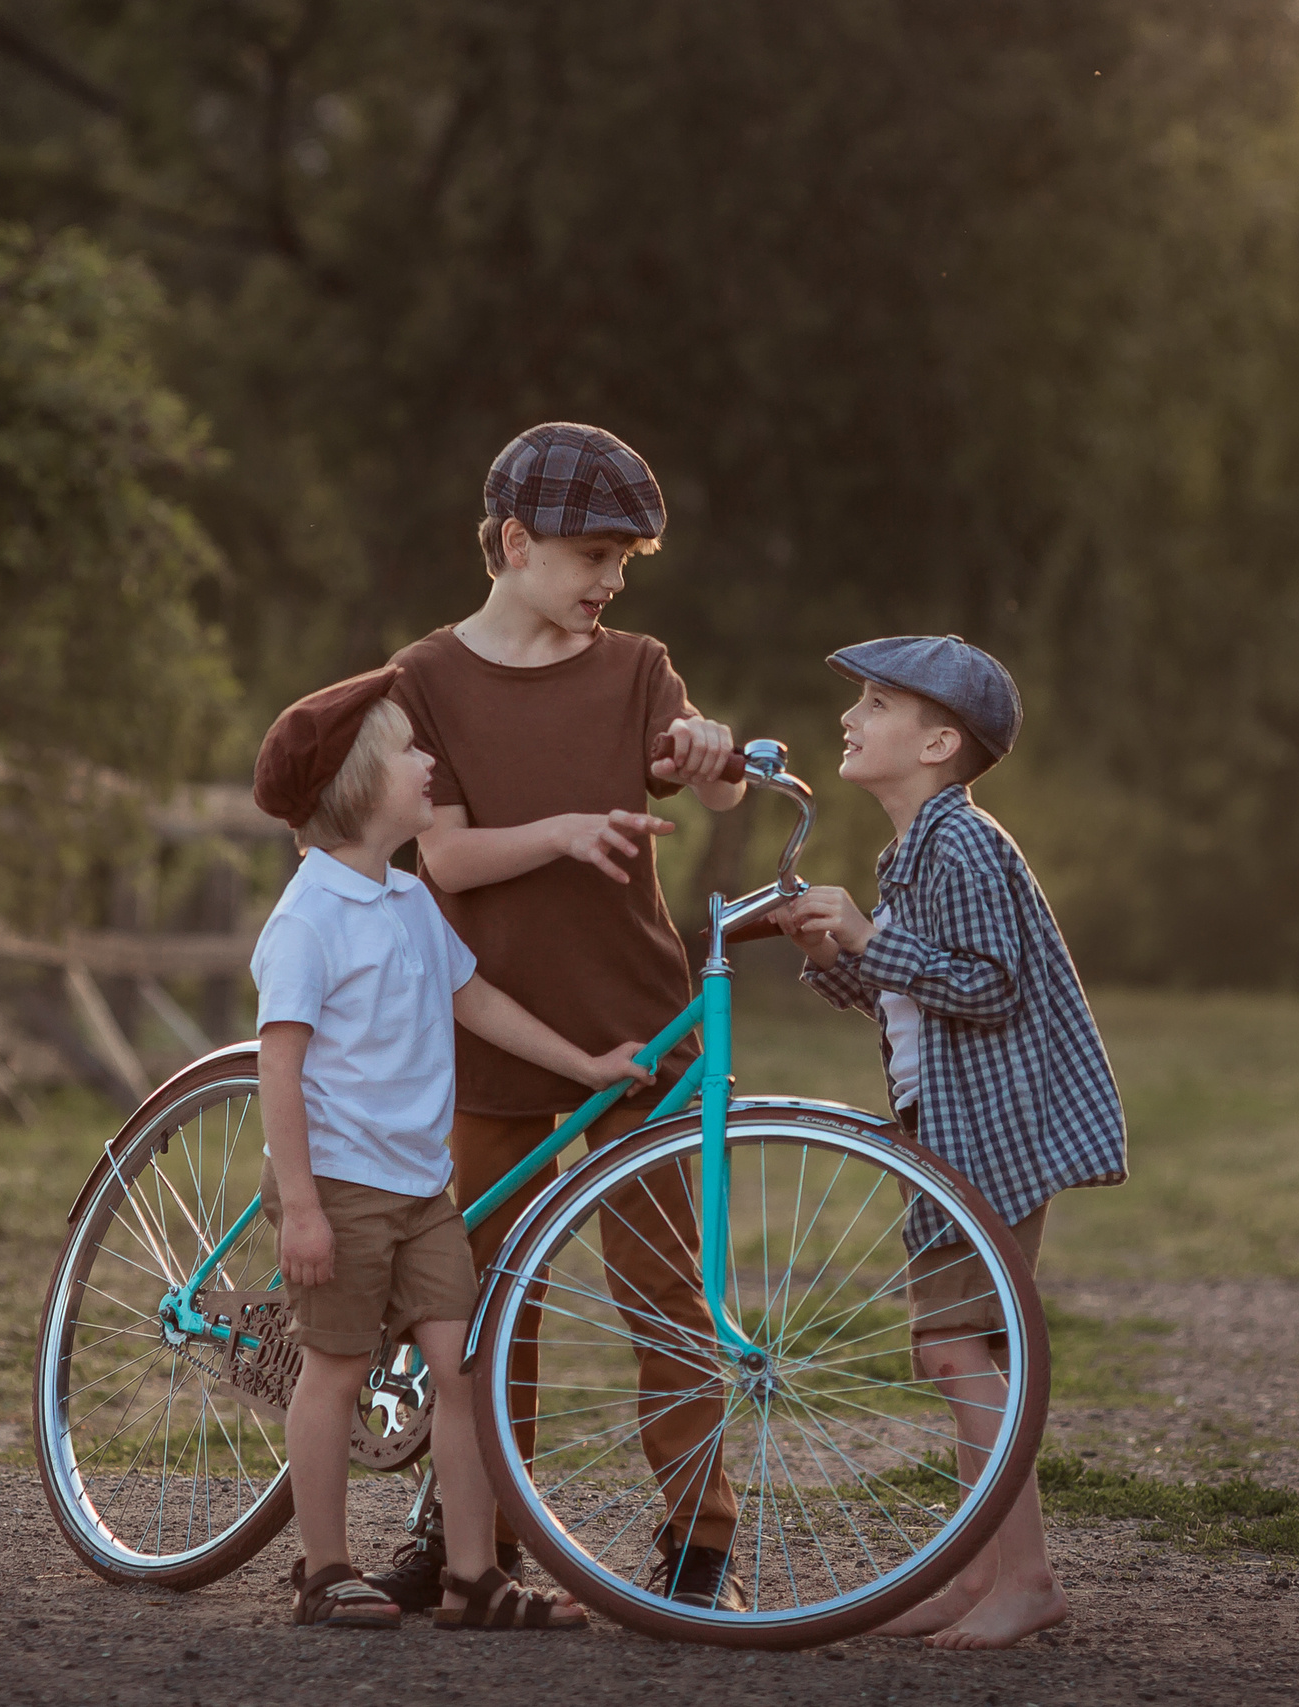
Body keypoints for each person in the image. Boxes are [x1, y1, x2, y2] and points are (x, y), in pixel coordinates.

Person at [378, 422, 751, 1612]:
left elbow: (718, 776)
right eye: (591, 553)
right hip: (487, 1037)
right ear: (511, 541)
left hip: (636, 1027)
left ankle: (701, 1547)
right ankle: (471, 1536)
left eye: (626, 561)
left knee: (662, 1289)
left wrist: (709, 752)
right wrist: (558, 834)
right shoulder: (424, 679)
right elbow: (442, 861)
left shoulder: (637, 666)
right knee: (479, 1299)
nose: (608, 580)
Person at [249, 664, 650, 1631]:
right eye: (407, 751)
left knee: (461, 1371)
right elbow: (279, 1070)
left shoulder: (408, 901)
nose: (430, 760)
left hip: (423, 1189)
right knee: (336, 1372)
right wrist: (300, 1206)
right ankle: (324, 1567)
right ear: (354, 786)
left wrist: (586, 1064)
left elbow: (475, 999)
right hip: (339, 1188)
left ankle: (473, 1576)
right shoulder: (307, 919)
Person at [779, 634, 1128, 1650]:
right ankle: (980, 1574)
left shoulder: (963, 844)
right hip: (951, 1132)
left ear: (939, 742)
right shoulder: (914, 848)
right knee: (964, 1348)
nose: (851, 718)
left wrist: (869, 933)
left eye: (878, 705)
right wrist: (837, 953)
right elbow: (913, 998)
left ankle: (1022, 1577)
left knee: (960, 1347)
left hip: (994, 1134)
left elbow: (990, 984)